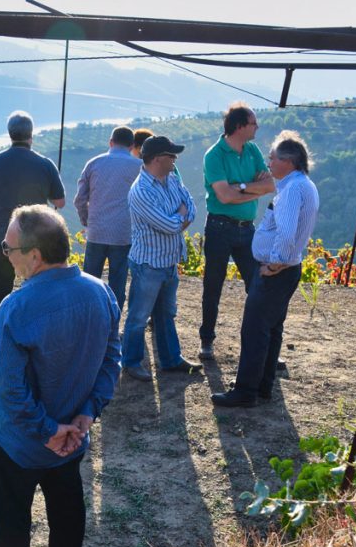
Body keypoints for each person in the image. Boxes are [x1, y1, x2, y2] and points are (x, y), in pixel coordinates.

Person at [0, 205, 121, 547]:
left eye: (9, 248)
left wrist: (49, 432)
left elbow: (11, 392)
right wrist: (86, 416)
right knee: (67, 504)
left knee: (10, 520)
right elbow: (111, 360)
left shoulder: (16, 307)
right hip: (72, 438)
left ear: (34, 256)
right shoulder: (101, 292)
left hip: (22, 441)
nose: (5, 255)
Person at [211, 131, 319, 408]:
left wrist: (275, 263)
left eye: (273, 158)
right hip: (285, 270)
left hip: (276, 272)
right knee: (271, 330)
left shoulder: (293, 189)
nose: (269, 163)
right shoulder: (302, 185)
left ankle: (246, 391)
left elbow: (286, 230)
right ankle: (262, 386)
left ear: (289, 161)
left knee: (255, 330)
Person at [0, 110, 66, 342]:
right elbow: (59, 202)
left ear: (10, 134)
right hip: (37, 242)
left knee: (0, 291)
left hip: (1, 238)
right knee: (38, 289)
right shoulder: (45, 164)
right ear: (31, 135)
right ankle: (37, 336)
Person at [121, 136, 203, 382]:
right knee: (138, 316)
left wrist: (179, 218)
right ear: (157, 159)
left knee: (166, 313)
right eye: (171, 156)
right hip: (149, 264)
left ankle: (171, 359)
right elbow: (170, 225)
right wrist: (180, 217)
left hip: (167, 262)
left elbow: (192, 207)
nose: (175, 159)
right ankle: (131, 362)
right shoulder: (141, 191)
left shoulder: (172, 179)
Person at [199, 102, 275, 361]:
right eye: (254, 123)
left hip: (247, 229)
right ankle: (206, 340)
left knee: (258, 287)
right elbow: (223, 195)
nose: (257, 127)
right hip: (219, 228)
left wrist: (238, 189)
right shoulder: (214, 155)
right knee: (213, 286)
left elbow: (269, 186)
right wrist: (251, 189)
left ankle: (262, 345)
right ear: (240, 126)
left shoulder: (252, 150)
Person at [75, 126, 143, 309]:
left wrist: (87, 220)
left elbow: (80, 199)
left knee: (89, 282)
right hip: (123, 233)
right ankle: (112, 327)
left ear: (110, 142)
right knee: (117, 285)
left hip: (96, 232)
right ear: (131, 146)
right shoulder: (139, 167)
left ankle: (88, 320)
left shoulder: (94, 163)